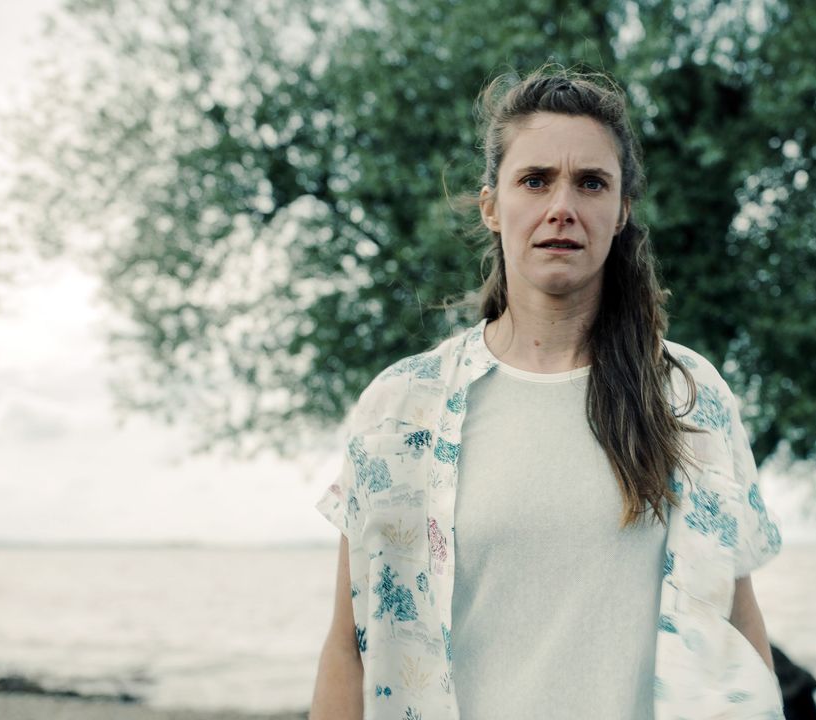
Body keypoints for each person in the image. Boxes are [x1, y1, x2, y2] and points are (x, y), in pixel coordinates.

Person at [309, 66, 784, 720]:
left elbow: (737, 625)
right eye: (535, 180)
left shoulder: (687, 396)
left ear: (621, 211)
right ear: (491, 205)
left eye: (591, 182)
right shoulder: (401, 409)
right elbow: (348, 649)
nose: (562, 206)